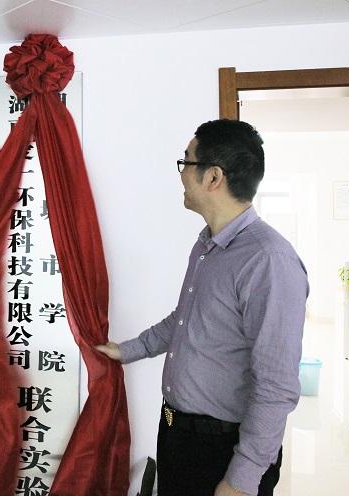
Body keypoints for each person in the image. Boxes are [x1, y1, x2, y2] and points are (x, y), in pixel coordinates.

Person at [96, 119, 309, 496]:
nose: (181, 175)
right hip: (179, 434)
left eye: (186, 162)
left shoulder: (268, 261)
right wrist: (126, 350)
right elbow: (186, 319)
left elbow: (276, 385)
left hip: (223, 450)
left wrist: (241, 479)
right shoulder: (207, 245)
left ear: (213, 177)